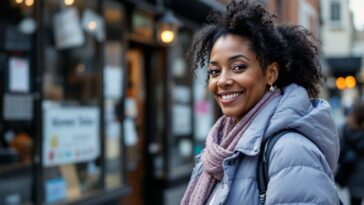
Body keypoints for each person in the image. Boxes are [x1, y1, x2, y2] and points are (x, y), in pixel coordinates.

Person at [181, 0, 341, 204]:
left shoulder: (290, 152)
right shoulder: (217, 151)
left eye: (238, 67)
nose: (223, 80)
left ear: (271, 73)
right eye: (214, 71)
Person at [336, 101, 364, 205]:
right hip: (360, 175)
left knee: (354, 201)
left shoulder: (346, 129)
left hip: (351, 176)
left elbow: (340, 152)